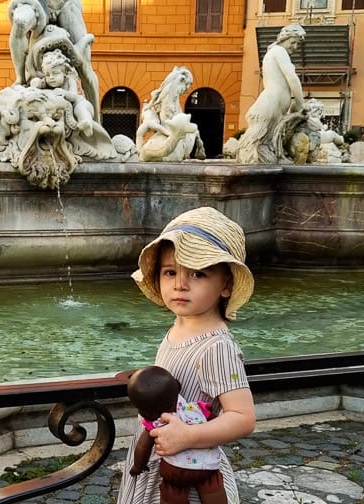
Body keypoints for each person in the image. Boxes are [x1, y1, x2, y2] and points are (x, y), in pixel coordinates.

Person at [117, 206, 256, 504]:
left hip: (191, 469)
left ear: (226, 285)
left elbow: (243, 417)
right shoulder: (176, 330)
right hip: (160, 458)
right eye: (170, 272)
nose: (180, 284)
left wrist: (187, 436)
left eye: (198, 273)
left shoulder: (216, 348)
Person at [127, 365, 226, 504]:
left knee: (173, 491)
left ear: (146, 413)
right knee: (212, 484)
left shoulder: (156, 423)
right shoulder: (197, 408)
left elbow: (142, 447)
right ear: (178, 386)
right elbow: (219, 423)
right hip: (207, 466)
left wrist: (138, 466)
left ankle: (175, 495)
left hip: (175, 471)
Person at [236, 24, 306, 164]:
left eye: (297, 44)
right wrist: (300, 104)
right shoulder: (279, 51)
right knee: (258, 140)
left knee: (269, 140)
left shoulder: (274, 52)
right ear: (284, 38)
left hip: (274, 103)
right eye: (293, 42)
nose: (295, 47)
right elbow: (292, 78)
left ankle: (273, 158)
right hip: (271, 103)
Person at [30, 48, 93, 136]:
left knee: (80, 108)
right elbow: (37, 83)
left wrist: (65, 93)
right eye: (47, 74)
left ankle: (86, 123)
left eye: (55, 73)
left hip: (80, 104)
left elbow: (74, 96)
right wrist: (36, 83)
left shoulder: (70, 81)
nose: (51, 77)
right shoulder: (47, 82)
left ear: (64, 73)